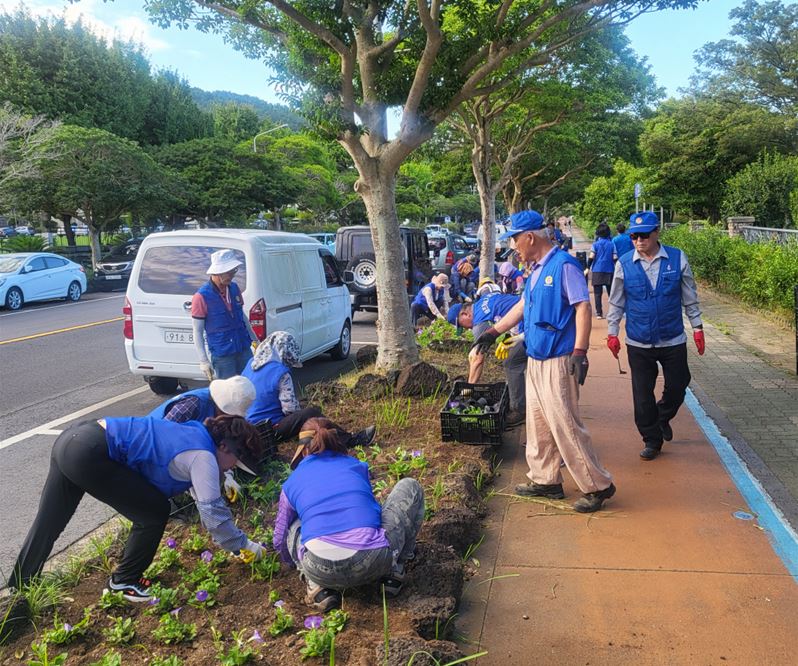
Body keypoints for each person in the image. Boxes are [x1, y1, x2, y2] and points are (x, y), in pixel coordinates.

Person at [9, 414, 266, 601]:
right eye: (236, 461)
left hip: (74, 439)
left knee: (49, 521)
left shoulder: (195, 433)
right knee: (153, 512)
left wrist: (232, 542)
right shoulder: (204, 458)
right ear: (223, 446)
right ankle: (124, 582)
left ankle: (18, 589)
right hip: (91, 452)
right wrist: (243, 545)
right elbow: (213, 516)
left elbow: (199, 495)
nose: (233, 467)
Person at [470, 209, 616, 513]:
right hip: (536, 357)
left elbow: (583, 309)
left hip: (558, 358)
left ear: (529, 237)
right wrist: (493, 332)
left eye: (514, 240)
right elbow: (524, 306)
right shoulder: (535, 270)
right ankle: (545, 479)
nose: (513, 247)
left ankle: (598, 485)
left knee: (565, 424)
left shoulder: (564, 266)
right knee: (537, 425)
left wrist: (580, 352)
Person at [273, 417, 425, 612]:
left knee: (293, 522)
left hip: (319, 568)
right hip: (374, 561)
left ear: (302, 451)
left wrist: (295, 564)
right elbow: (370, 511)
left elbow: (279, 537)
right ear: (337, 442)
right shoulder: (357, 466)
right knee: (409, 485)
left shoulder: (291, 483)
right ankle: (393, 574)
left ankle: (317, 587)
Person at [606, 211, 705, 461]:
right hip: (639, 341)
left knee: (679, 385)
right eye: (634, 236)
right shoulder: (624, 264)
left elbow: (689, 297)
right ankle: (652, 439)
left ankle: (662, 417)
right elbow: (616, 302)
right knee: (642, 395)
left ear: (656, 233)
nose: (639, 240)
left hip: (672, 338)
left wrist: (697, 327)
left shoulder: (677, 258)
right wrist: (612, 332)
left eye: (644, 235)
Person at [242, 331, 376, 447]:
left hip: (248, 428)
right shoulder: (281, 373)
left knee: (303, 405)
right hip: (269, 430)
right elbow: (289, 410)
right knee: (311, 412)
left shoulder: (250, 365)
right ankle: (351, 440)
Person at [149, 375, 257, 502]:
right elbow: (162, 437)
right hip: (152, 450)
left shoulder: (219, 418)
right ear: (222, 406)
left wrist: (226, 475)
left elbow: (217, 448)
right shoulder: (193, 404)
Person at [448, 292, 526, 428]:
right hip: (529, 312)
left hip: (532, 323)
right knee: (515, 357)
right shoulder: (483, 300)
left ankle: (519, 411)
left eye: (462, 325)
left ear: (465, 314)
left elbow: (478, 360)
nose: (466, 329)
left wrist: (469, 389)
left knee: (511, 362)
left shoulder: (479, 324)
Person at [192, 249, 258, 381]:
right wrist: (203, 360)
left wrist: (255, 340)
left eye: (234, 271)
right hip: (223, 354)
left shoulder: (234, 288)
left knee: (250, 385)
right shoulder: (201, 297)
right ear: (216, 272)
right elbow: (197, 331)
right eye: (228, 272)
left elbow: (242, 316)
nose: (232, 275)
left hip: (243, 347)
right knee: (230, 393)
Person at [587, 223, 616, 319]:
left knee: (597, 293)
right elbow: (615, 257)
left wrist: (587, 267)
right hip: (609, 270)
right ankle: (612, 312)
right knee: (611, 293)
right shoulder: (612, 244)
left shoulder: (595, 244)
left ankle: (599, 313)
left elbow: (591, 257)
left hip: (597, 270)